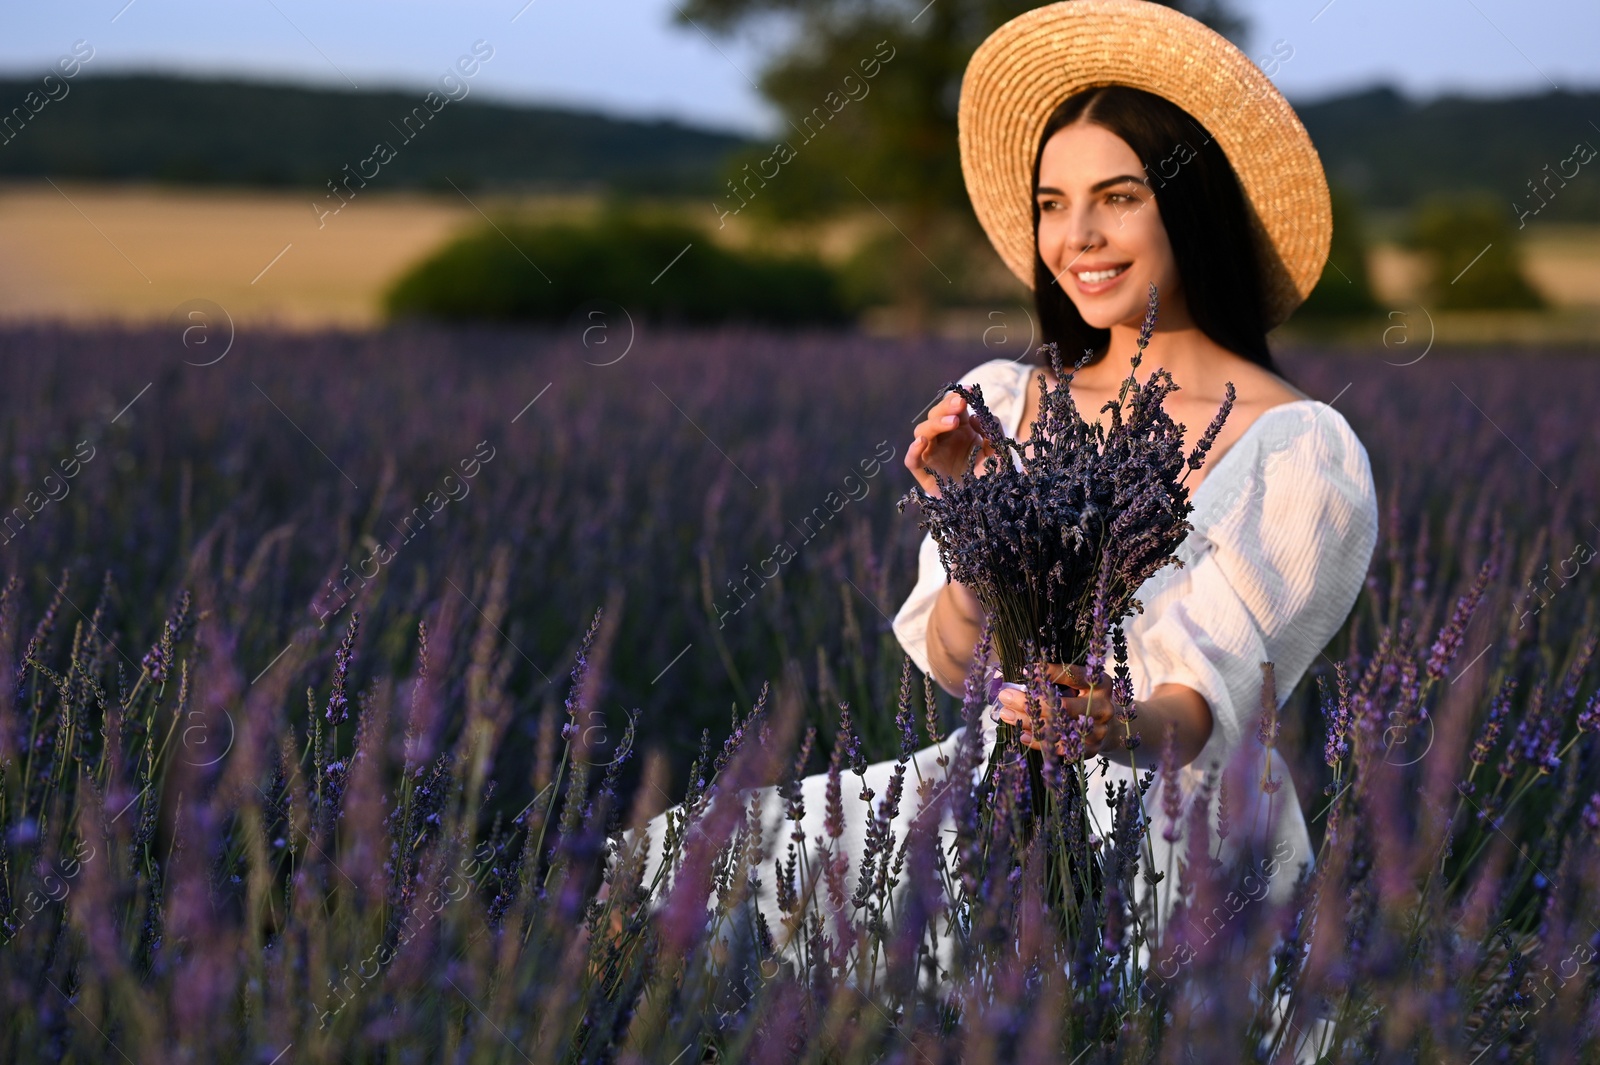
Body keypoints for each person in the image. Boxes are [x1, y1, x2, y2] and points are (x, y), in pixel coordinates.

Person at [609, 3, 1377, 1056]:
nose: (1078, 238)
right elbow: (960, 663)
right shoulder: (1004, 399)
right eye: (1053, 205)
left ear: (1192, 208)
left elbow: (1207, 709)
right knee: (664, 867)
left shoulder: (1301, 449)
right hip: (987, 785)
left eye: (1119, 198)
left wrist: (1109, 722)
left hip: (1175, 834)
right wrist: (969, 526)